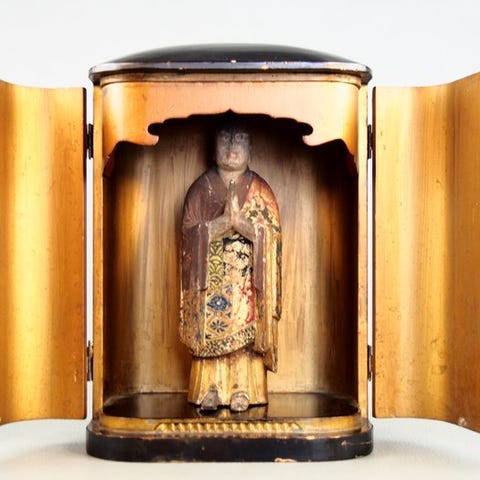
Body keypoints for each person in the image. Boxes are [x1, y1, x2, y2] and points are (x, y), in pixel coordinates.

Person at [180, 119, 281, 412]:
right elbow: (187, 236)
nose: (232, 146)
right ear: (213, 148)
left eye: (239, 139)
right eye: (225, 138)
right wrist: (220, 224)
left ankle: (243, 388)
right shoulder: (200, 189)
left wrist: (243, 226)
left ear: (251, 148)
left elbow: (272, 237)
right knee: (209, 331)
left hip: (246, 286)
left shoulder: (261, 190)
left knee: (246, 341)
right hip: (209, 285)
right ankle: (210, 388)